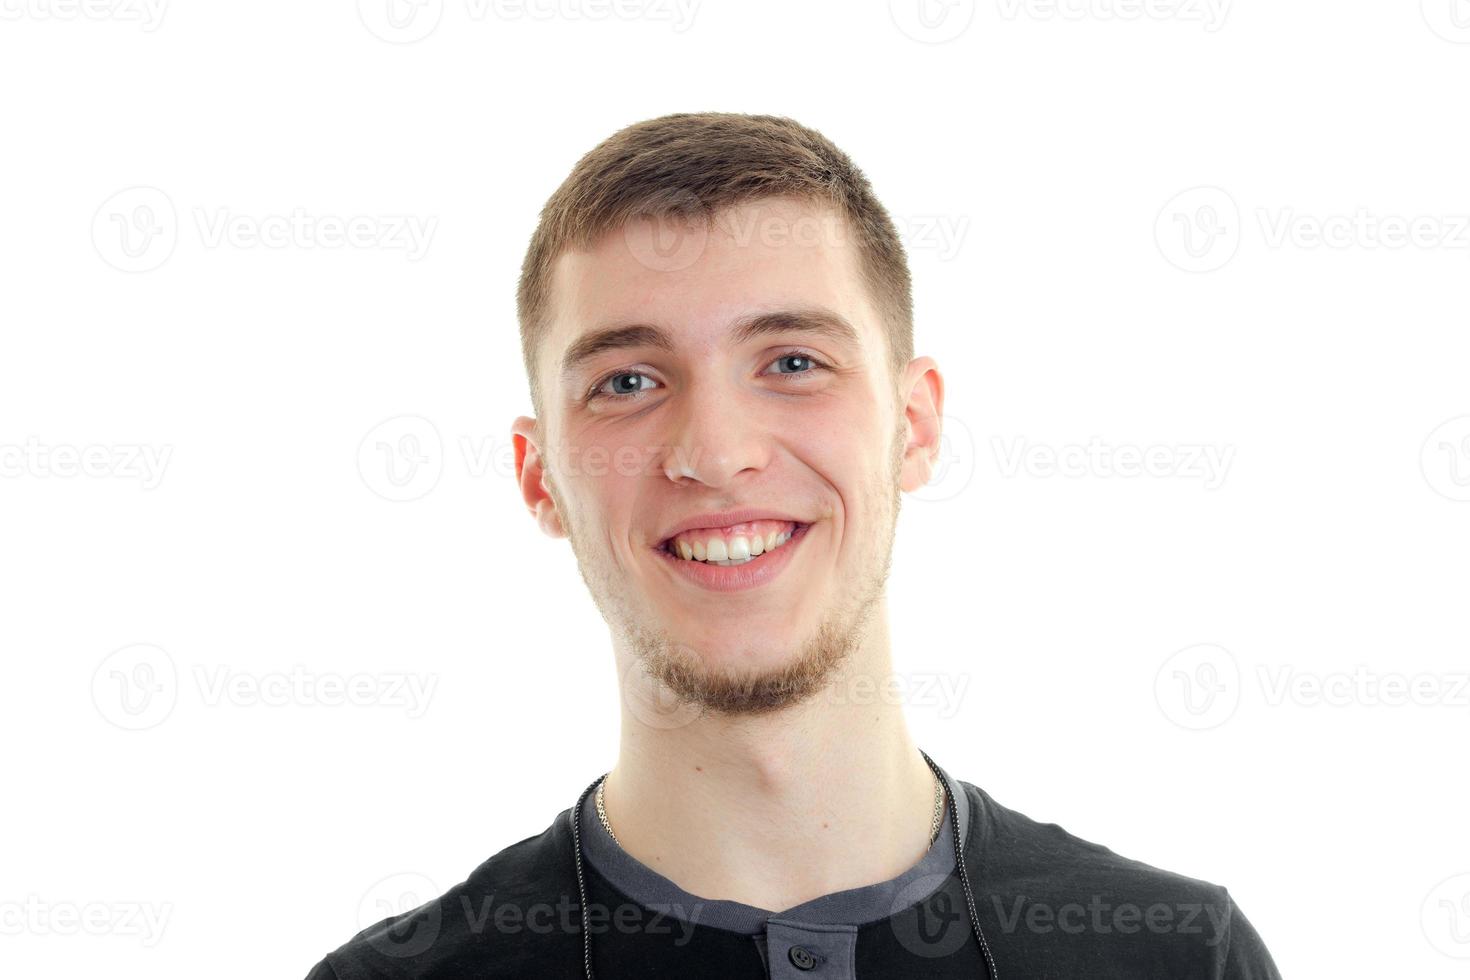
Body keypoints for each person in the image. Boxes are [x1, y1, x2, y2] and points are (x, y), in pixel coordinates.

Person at [304, 111, 1281, 979]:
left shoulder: (1178, 954)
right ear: (539, 475)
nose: (717, 454)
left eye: (793, 361)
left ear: (916, 424)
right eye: (629, 381)